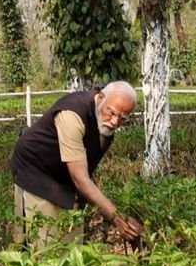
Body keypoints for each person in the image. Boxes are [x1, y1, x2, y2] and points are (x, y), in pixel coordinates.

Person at [9, 81, 144, 245]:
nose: (115, 122)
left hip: (64, 174)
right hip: (35, 170)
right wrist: (116, 218)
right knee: (45, 241)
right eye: (112, 113)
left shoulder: (105, 123)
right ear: (101, 97)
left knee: (71, 240)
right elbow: (81, 179)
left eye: (123, 118)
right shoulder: (72, 114)